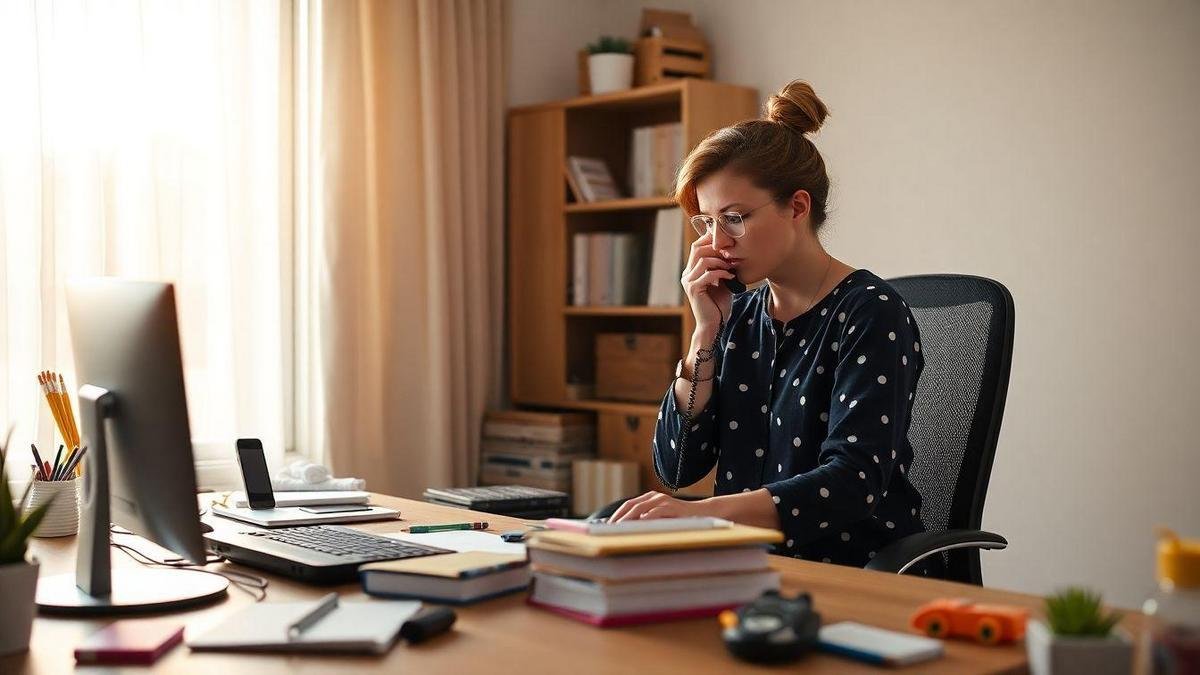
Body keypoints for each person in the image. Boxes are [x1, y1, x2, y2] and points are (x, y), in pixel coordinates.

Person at [609, 80, 930, 571]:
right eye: (707, 222)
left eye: (734, 218)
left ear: (797, 207)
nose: (717, 241)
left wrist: (701, 518)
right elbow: (677, 466)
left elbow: (852, 484)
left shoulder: (871, 312)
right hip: (742, 569)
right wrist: (704, 337)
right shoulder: (737, 317)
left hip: (849, 572)